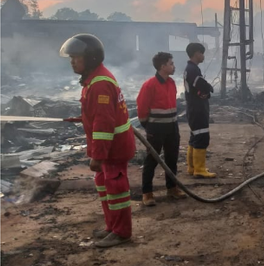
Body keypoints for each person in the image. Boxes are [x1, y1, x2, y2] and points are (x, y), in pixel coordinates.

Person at [59, 34, 135, 248]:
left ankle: (122, 233)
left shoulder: (99, 84)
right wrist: (81, 118)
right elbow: (98, 115)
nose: (72, 61)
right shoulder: (92, 79)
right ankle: (111, 227)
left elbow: (103, 125)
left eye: (76, 57)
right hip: (109, 147)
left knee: (116, 189)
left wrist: (97, 156)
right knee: (105, 187)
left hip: (114, 148)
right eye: (71, 57)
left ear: (90, 58)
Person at [137, 52, 188, 206]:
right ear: (162, 66)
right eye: (171, 63)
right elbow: (142, 109)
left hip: (172, 127)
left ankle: (172, 188)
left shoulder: (171, 83)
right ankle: (147, 193)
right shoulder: (149, 85)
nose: (174, 66)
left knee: (172, 159)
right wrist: (149, 127)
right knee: (152, 160)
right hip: (156, 129)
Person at [184, 42, 216, 178]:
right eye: (202, 53)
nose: (203, 56)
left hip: (193, 108)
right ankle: (199, 169)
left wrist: (205, 92)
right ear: (196, 53)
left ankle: (192, 168)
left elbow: (197, 87)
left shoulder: (190, 68)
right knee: (202, 137)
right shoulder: (193, 70)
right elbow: (201, 84)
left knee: (194, 137)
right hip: (197, 109)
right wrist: (209, 89)